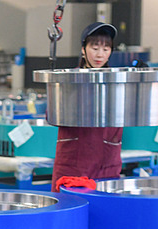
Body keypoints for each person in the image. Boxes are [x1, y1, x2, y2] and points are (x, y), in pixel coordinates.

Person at [51, 22, 123, 192]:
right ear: (83, 49)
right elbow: (52, 115)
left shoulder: (118, 82)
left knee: (105, 205)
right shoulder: (69, 80)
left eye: (106, 49)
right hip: (74, 161)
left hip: (107, 161)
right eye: (95, 48)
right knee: (70, 204)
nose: (100, 54)